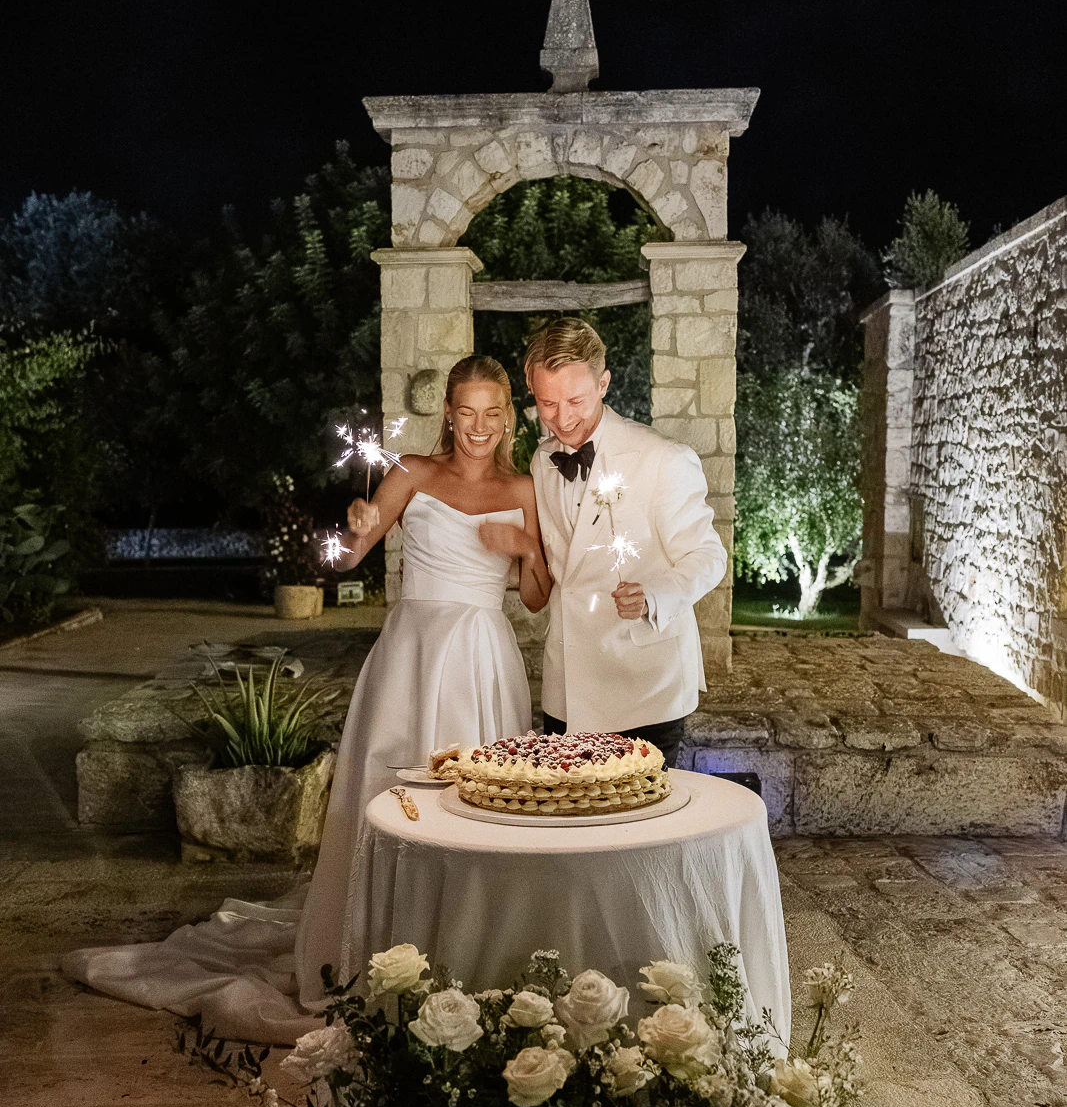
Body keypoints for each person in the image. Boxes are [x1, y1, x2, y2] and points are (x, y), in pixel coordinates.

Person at [63, 355, 550, 1042]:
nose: (479, 425)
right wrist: (353, 529)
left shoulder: (523, 487)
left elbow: (537, 595)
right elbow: (348, 559)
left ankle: (468, 947)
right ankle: (376, 944)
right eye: (466, 411)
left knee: (477, 802)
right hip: (411, 652)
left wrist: (527, 547)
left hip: (483, 658)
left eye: (493, 412)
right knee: (389, 794)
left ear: (509, 416)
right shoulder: (410, 472)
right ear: (449, 412)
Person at [527, 318, 727, 769]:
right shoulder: (542, 462)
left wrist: (654, 596)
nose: (563, 418)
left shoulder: (663, 458)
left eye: (576, 400)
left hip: (645, 688)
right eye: (547, 403)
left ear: (603, 384)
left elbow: (709, 556)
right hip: (569, 687)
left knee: (643, 830)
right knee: (570, 824)